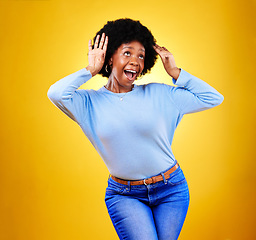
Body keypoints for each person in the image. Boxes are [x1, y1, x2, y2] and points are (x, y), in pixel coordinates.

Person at [47, 18, 224, 240]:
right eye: (127, 53)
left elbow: (213, 98)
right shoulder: (87, 103)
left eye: (141, 56)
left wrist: (176, 72)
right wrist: (90, 70)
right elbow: (55, 93)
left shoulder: (161, 94)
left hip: (171, 189)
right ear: (109, 57)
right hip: (125, 195)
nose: (136, 61)